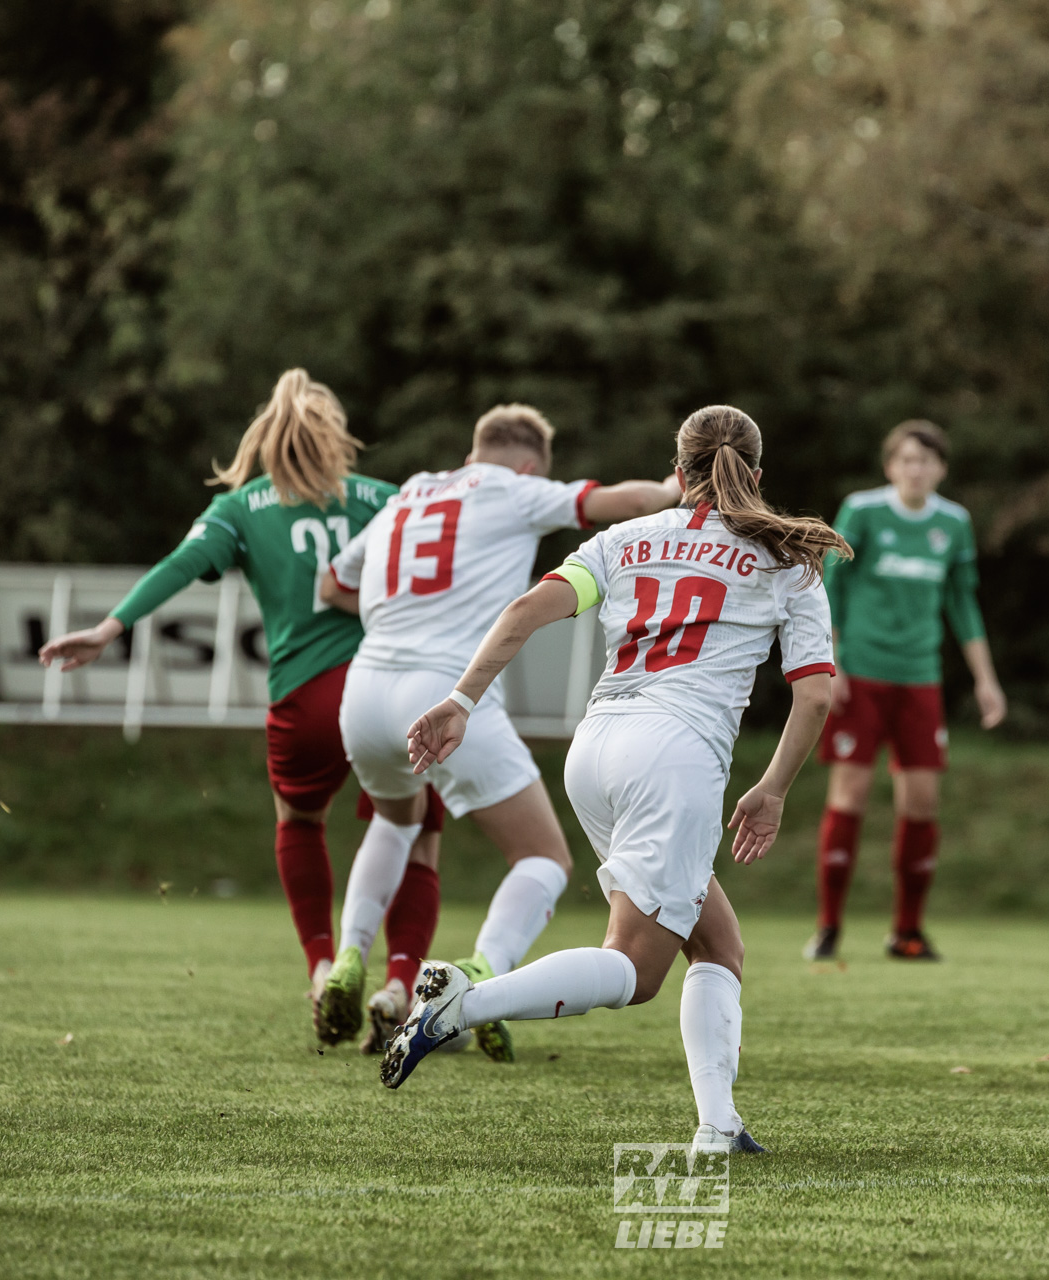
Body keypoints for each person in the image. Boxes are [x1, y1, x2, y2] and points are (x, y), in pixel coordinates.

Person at [378, 405, 846, 1155]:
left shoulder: (626, 538)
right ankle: (463, 1004)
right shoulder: (786, 559)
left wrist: (462, 699)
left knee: (718, 944)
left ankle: (718, 1125)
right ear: (755, 474)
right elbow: (816, 694)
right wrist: (774, 788)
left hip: (595, 750)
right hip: (674, 756)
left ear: (679, 467)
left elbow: (528, 610)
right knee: (635, 968)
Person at [38, 368, 446, 1052]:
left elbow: (181, 562)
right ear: (337, 437)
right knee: (415, 833)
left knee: (300, 820)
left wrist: (110, 627)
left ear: (265, 441)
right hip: (388, 690)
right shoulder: (389, 498)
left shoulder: (242, 507)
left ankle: (322, 969)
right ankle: (400, 986)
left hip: (304, 698)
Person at [320, 404, 681, 1062]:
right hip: (442, 687)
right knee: (544, 856)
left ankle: (348, 956)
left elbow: (333, 583)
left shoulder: (411, 492)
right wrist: (673, 487)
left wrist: (402, 608)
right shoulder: (512, 487)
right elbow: (616, 501)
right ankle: (482, 975)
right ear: (527, 464)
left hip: (365, 687)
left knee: (396, 821)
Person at [805, 420, 1006, 962]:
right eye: (906, 459)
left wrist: (986, 680)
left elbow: (962, 604)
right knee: (849, 796)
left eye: (926, 460)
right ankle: (828, 927)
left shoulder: (953, 523)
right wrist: (832, 660)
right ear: (890, 466)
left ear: (941, 468)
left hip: (920, 679)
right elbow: (830, 586)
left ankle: (907, 932)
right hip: (862, 675)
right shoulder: (863, 512)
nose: (916, 469)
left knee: (921, 803)